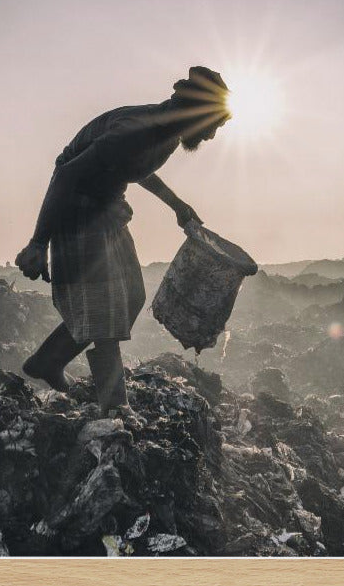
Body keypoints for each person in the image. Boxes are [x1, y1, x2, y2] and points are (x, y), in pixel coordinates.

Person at [14, 66, 231, 419]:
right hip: (78, 211)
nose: (211, 135)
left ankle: (48, 360)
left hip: (108, 208)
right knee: (105, 310)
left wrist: (177, 205)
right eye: (213, 125)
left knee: (131, 296)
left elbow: (135, 167)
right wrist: (38, 243)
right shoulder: (135, 129)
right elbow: (67, 174)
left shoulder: (167, 132)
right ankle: (115, 406)